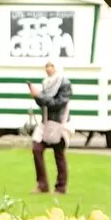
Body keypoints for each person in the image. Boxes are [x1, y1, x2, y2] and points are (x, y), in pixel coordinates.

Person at [27, 60, 71, 195]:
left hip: (59, 123)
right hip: (46, 122)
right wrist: (36, 96)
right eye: (46, 66)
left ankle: (61, 187)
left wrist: (39, 95)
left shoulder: (64, 83)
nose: (48, 68)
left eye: (51, 65)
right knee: (36, 148)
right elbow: (44, 103)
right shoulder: (46, 82)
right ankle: (42, 185)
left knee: (59, 154)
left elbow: (58, 104)